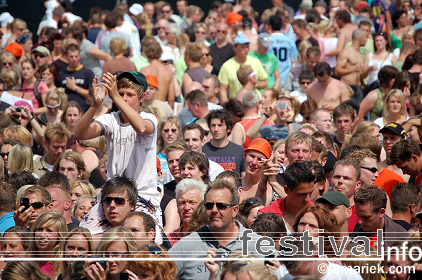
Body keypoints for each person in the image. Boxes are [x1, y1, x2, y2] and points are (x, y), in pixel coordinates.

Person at [75, 71, 160, 235]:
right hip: (111, 197)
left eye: (130, 94)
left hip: (143, 197)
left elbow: (141, 127)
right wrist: (94, 105)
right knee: (83, 237)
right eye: (121, 93)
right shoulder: (110, 119)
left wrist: (115, 96)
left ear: (142, 98)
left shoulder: (149, 118)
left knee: (146, 242)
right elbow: (80, 134)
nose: (124, 98)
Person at [169, 178, 264, 280]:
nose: (214, 210)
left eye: (221, 206)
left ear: (235, 210)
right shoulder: (186, 246)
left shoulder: (256, 244)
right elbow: (157, 272)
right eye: (209, 205)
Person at [259, 161, 315, 233]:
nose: (307, 199)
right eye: (301, 194)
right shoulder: (266, 215)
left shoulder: (319, 214)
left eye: (310, 193)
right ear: (286, 190)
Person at [351, 185, 408, 249]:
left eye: (365, 217)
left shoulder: (401, 238)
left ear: (381, 212)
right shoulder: (356, 232)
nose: (359, 221)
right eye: (358, 215)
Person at [218, 34, 267, 100]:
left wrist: (254, 83)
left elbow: (265, 83)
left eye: (247, 47)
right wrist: (226, 105)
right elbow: (223, 89)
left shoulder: (255, 62)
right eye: (242, 47)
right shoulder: (226, 66)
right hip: (238, 105)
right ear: (235, 48)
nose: (246, 49)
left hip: (255, 103)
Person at [202, 109, 245, 175]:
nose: (216, 129)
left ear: (228, 129)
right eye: (213, 125)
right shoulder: (203, 151)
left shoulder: (240, 151)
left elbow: (244, 178)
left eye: (220, 125)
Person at [57, 44, 95, 113]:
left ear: (80, 56)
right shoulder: (62, 74)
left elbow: (92, 94)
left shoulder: (88, 73)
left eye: (76, 56)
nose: (74, 59)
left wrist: (75, 87)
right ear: (66, 57)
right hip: (66, 112)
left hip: (84, 111)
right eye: (71, 57)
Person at [335, 29, 370, 105]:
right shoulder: (346, 52)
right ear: (360, 38)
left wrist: (362, 82)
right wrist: (354, 69)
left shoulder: (359, 52)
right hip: (348, 87)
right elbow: (337, 71)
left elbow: (358, 71)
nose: (366, 40)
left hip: (358, 87)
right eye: (365, 38)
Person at [168, 178, 207, 246]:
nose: (186, 208)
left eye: (192, 202)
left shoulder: (211, 236)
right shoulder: (170, 239)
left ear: (203, 205)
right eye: (182, 203)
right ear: (177, 207)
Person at [29, 211, 67, 278]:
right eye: (40, 229)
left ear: (59, 235)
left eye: (49, 231)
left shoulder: (64, 265)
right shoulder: (24, 261)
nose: (42, 235)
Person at [140, 36, 175, 109]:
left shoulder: (143, 71)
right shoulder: (167, 72)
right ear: (160, 53)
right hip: (161, 108)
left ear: (147, 54)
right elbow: (171, 98)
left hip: (146, 108)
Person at [240, 138, 273, 203]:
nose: (254, 162)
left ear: (266, 163)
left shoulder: (270, 190)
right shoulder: (234, 184)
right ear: (245, 156)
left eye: (260, 159)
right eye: (252, 156)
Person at [268, 15, 298, 85]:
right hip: (286, 77)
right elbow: (294, 58)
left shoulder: (268, 41)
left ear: (270, 26)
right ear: (281, 25)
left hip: (271, 77)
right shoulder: (289, 40)